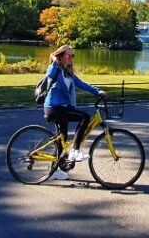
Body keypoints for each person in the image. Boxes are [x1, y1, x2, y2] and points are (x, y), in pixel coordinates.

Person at [43, 45, 105, 180]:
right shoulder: (56, 70)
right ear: (60, 57)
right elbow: (49, 74)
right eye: (68, 55)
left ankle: (56, 169)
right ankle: (75, 150)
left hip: (64, 108)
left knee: (62, 139)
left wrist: (97, 91)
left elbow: (81, 83)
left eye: (73, 55)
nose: (71, 58)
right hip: (54, 108)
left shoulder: (68, 72)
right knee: (85, 117)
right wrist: (54, 60)